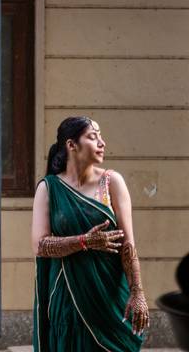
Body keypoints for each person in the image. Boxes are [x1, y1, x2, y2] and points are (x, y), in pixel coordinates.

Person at [31, 116, 150, 351]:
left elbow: (128, 243)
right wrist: (85, 241)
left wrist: (137, 292)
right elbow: (40, 245)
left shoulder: (111, 182)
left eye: (101, 136)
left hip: (108, 295)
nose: (102, 143)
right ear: (71, 145)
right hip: (68, 298)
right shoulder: (49, 188)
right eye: (93, 137)